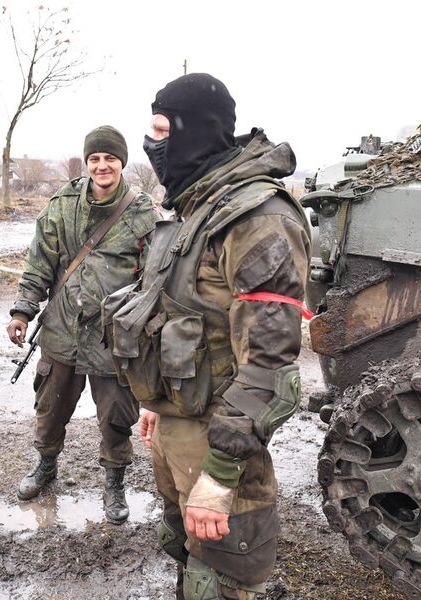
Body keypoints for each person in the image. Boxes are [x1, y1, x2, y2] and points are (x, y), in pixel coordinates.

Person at [105, 74, 311, 599]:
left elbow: (268, 367)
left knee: (219, 580)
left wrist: (219, 476)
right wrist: (160, 402)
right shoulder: (196, 207)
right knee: (187, 562)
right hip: (178, 427)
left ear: (196, 129)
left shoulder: (256, 217)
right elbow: (176, 315)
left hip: (221, 444)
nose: (152, 144)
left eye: (162, 131)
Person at [7, 125, 156, 524]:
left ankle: (114, 483)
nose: (102, 166)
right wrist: (22, 311)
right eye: (95, 159)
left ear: (122, 162)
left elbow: (154, 278)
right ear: (87, 162)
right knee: (50, 407)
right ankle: (45, 466)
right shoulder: (63, 204)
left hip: (113, 336)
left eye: (110, 158)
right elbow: (39, 261)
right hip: (62, 329)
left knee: (116, 415)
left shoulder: (142, 212)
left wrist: (146, 329)